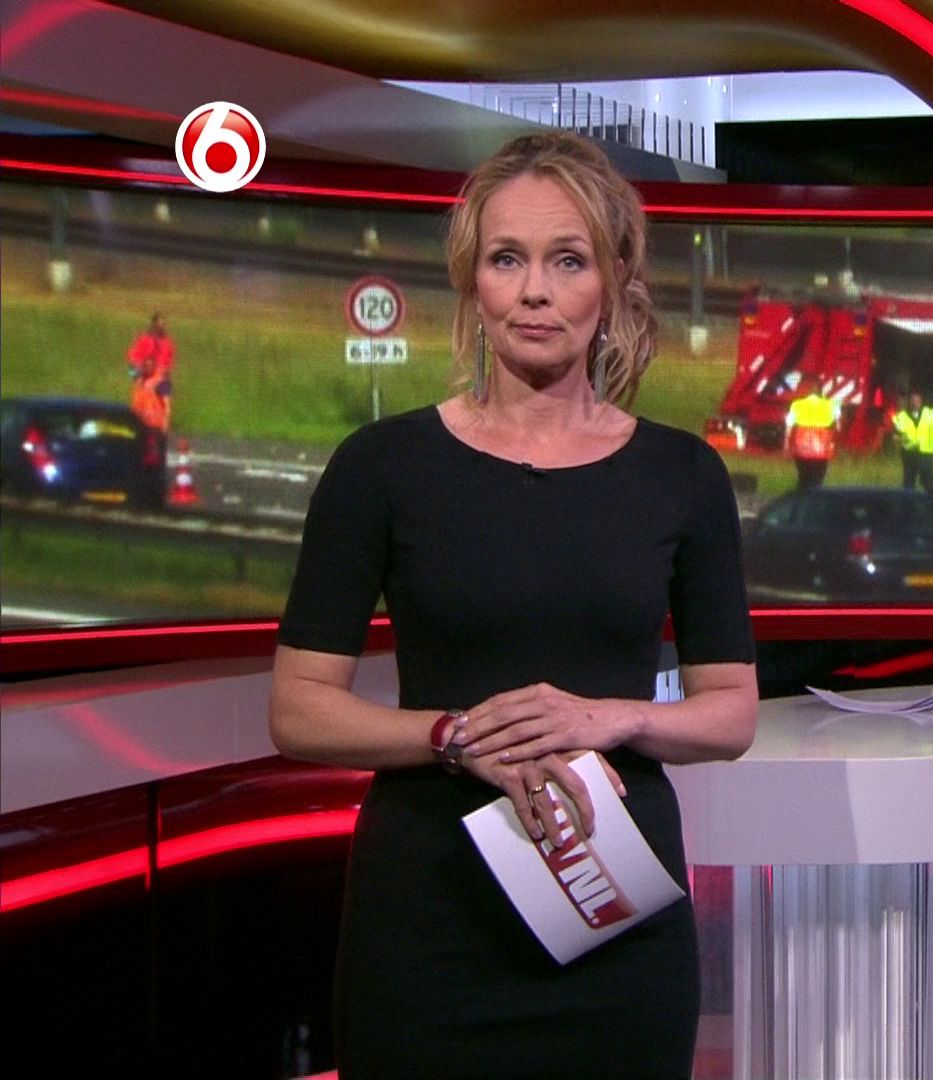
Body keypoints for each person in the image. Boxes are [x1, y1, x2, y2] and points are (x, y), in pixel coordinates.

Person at [268, 132, 758, 1078]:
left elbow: (731, 713)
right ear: (473, 282)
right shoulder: (381, 469)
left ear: (614, 280)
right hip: (430, 924)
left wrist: (610, 717)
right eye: (507, 259)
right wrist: (452, 736)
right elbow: (298, 707)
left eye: (567, 260)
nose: (535, 291)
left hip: (613, 917)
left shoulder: (683, 475)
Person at [785, 375, 836, 490]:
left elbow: (789, 425)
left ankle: (803, 491)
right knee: (819, 475)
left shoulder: (797, 405)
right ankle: (816, 492)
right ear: (820, 391)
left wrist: (787, 443)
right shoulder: (830, 405)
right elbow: (836, 424)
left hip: (802, 442)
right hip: (822, 443)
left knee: (803, 474)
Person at [127, 312, 174, 432]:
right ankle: (139, 423)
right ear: (153, 324)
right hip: (145, 374)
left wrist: (166, 375)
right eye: (159, 324)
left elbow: (169, 361)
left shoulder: (167, 343)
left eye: (163, 324)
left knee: (165, 403)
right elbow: (133, 358)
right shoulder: (144, 339)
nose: (161, 327)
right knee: (141, 399)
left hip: (161, 375)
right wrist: (137, 374)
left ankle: (163, 426)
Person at [892, 388, 933, 499]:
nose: (915, 403)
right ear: (909, 402)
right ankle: (908, 505)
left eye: (917, 401)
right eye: (912, 401)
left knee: (930, 484)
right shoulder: (901, 417)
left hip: (926, 453)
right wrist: (897, 439)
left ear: (921, 401)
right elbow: (895, 434)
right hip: (909, 454)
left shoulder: (930, 414)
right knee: (909, 483)